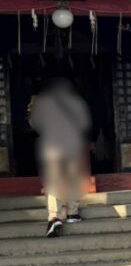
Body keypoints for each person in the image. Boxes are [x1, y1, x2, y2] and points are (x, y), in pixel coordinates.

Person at [29, 78, 91, 237]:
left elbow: (34, 124)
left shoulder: (42, 103)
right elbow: (84, 123)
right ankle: (72, 213)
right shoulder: (77, 102)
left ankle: (55, 216)